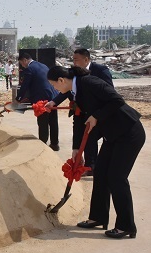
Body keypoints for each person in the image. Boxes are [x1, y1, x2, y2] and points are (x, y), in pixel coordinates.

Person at [47, 66, 144, 239]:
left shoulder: (89, 82)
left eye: (54, 85)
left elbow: (117, 100)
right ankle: (98, 218)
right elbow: (79, 120)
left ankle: (126, 226)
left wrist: (97, 115)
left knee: (116, 177)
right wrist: (76, 148)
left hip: (128, 132)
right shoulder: (74, 92)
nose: (55, 89)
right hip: (112, 136)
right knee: (100, 173)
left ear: (61, 80)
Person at [46, 48, 114, 176]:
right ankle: (90, 166)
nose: (74, 62)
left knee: (91, 138)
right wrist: (54, 102)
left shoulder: (99, 72)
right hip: (83, 111)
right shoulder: (73, 76)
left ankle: (92, 166)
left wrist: (97, 114)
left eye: (76, 59)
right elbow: (67, 89)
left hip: (99, 113)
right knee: (85, 137)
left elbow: (110, 94)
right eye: (73, 59)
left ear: (86, 59)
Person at [16, 52, 59, 150]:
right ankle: (55, 144)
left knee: (43, 122)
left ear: (25, 60)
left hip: (42, 98)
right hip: (53, 97)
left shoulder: (30, 69)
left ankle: (43, 145)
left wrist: (18, 99)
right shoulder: (43, 65)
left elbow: (25, 85)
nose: (22, 66)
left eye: (21, 63)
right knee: (53, 121)